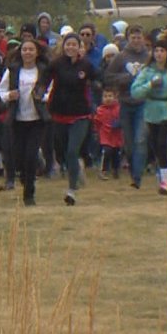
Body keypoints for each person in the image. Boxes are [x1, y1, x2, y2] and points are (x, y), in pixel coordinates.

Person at [41, 32, 96, 206]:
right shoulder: (56, 64)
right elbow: (44, 80)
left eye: (74, 44)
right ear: (63, 46)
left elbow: (99, 78)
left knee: (73, 150)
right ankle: (75, 168)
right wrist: (38, 90)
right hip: (59, 113)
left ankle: (71, 190)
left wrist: (102, 85)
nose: (70, 47)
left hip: (80, 115)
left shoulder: (85, 65)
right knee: (63, 152)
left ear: (79, 47)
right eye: (68, 44)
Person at [0, 39, 50, 205]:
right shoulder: (13, 70)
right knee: (18, 156)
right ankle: (24, 177)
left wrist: (43, 97)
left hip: (36, 119)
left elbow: (51, 90)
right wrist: (9, 96)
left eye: (31, 50)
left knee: (30, 156)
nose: (27, 53)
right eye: (25, 49)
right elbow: (0, 90)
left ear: (37, 52)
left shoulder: (43, 71)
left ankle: (29, 194)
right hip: (17, 119)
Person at [104, 25, 151, 189]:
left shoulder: (148, 56)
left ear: (143, 38)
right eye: (133, 37)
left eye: (139, 37)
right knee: (129, 143)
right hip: (125, 103)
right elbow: (108, 77)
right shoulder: (121, 57)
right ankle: (133, 168)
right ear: (128, 39)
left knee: (140, 139)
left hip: (143, 103)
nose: (136, 40)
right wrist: (126, 77)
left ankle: (137, 177)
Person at [130, 39, 167, 195]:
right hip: (151, 111)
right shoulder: (147, 71)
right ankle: (164, 176)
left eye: (162, 51)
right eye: (156, 51)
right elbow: (135, 91)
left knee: (164, 144)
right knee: (156, 145)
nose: (159, 54)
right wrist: (150, 85)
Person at [93, 88, 122, 180]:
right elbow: (96, 122)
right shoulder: (100, 110)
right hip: (105, 136)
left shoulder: (119, 109)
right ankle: (103, 170)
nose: (108, 98)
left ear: (115, 97)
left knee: (116, 154)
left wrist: (119, 123)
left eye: (110, 96)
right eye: (105, 96)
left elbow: (123, 119)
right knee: (106, 151)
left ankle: (115, 170)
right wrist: (96, 132)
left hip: (116, 136)